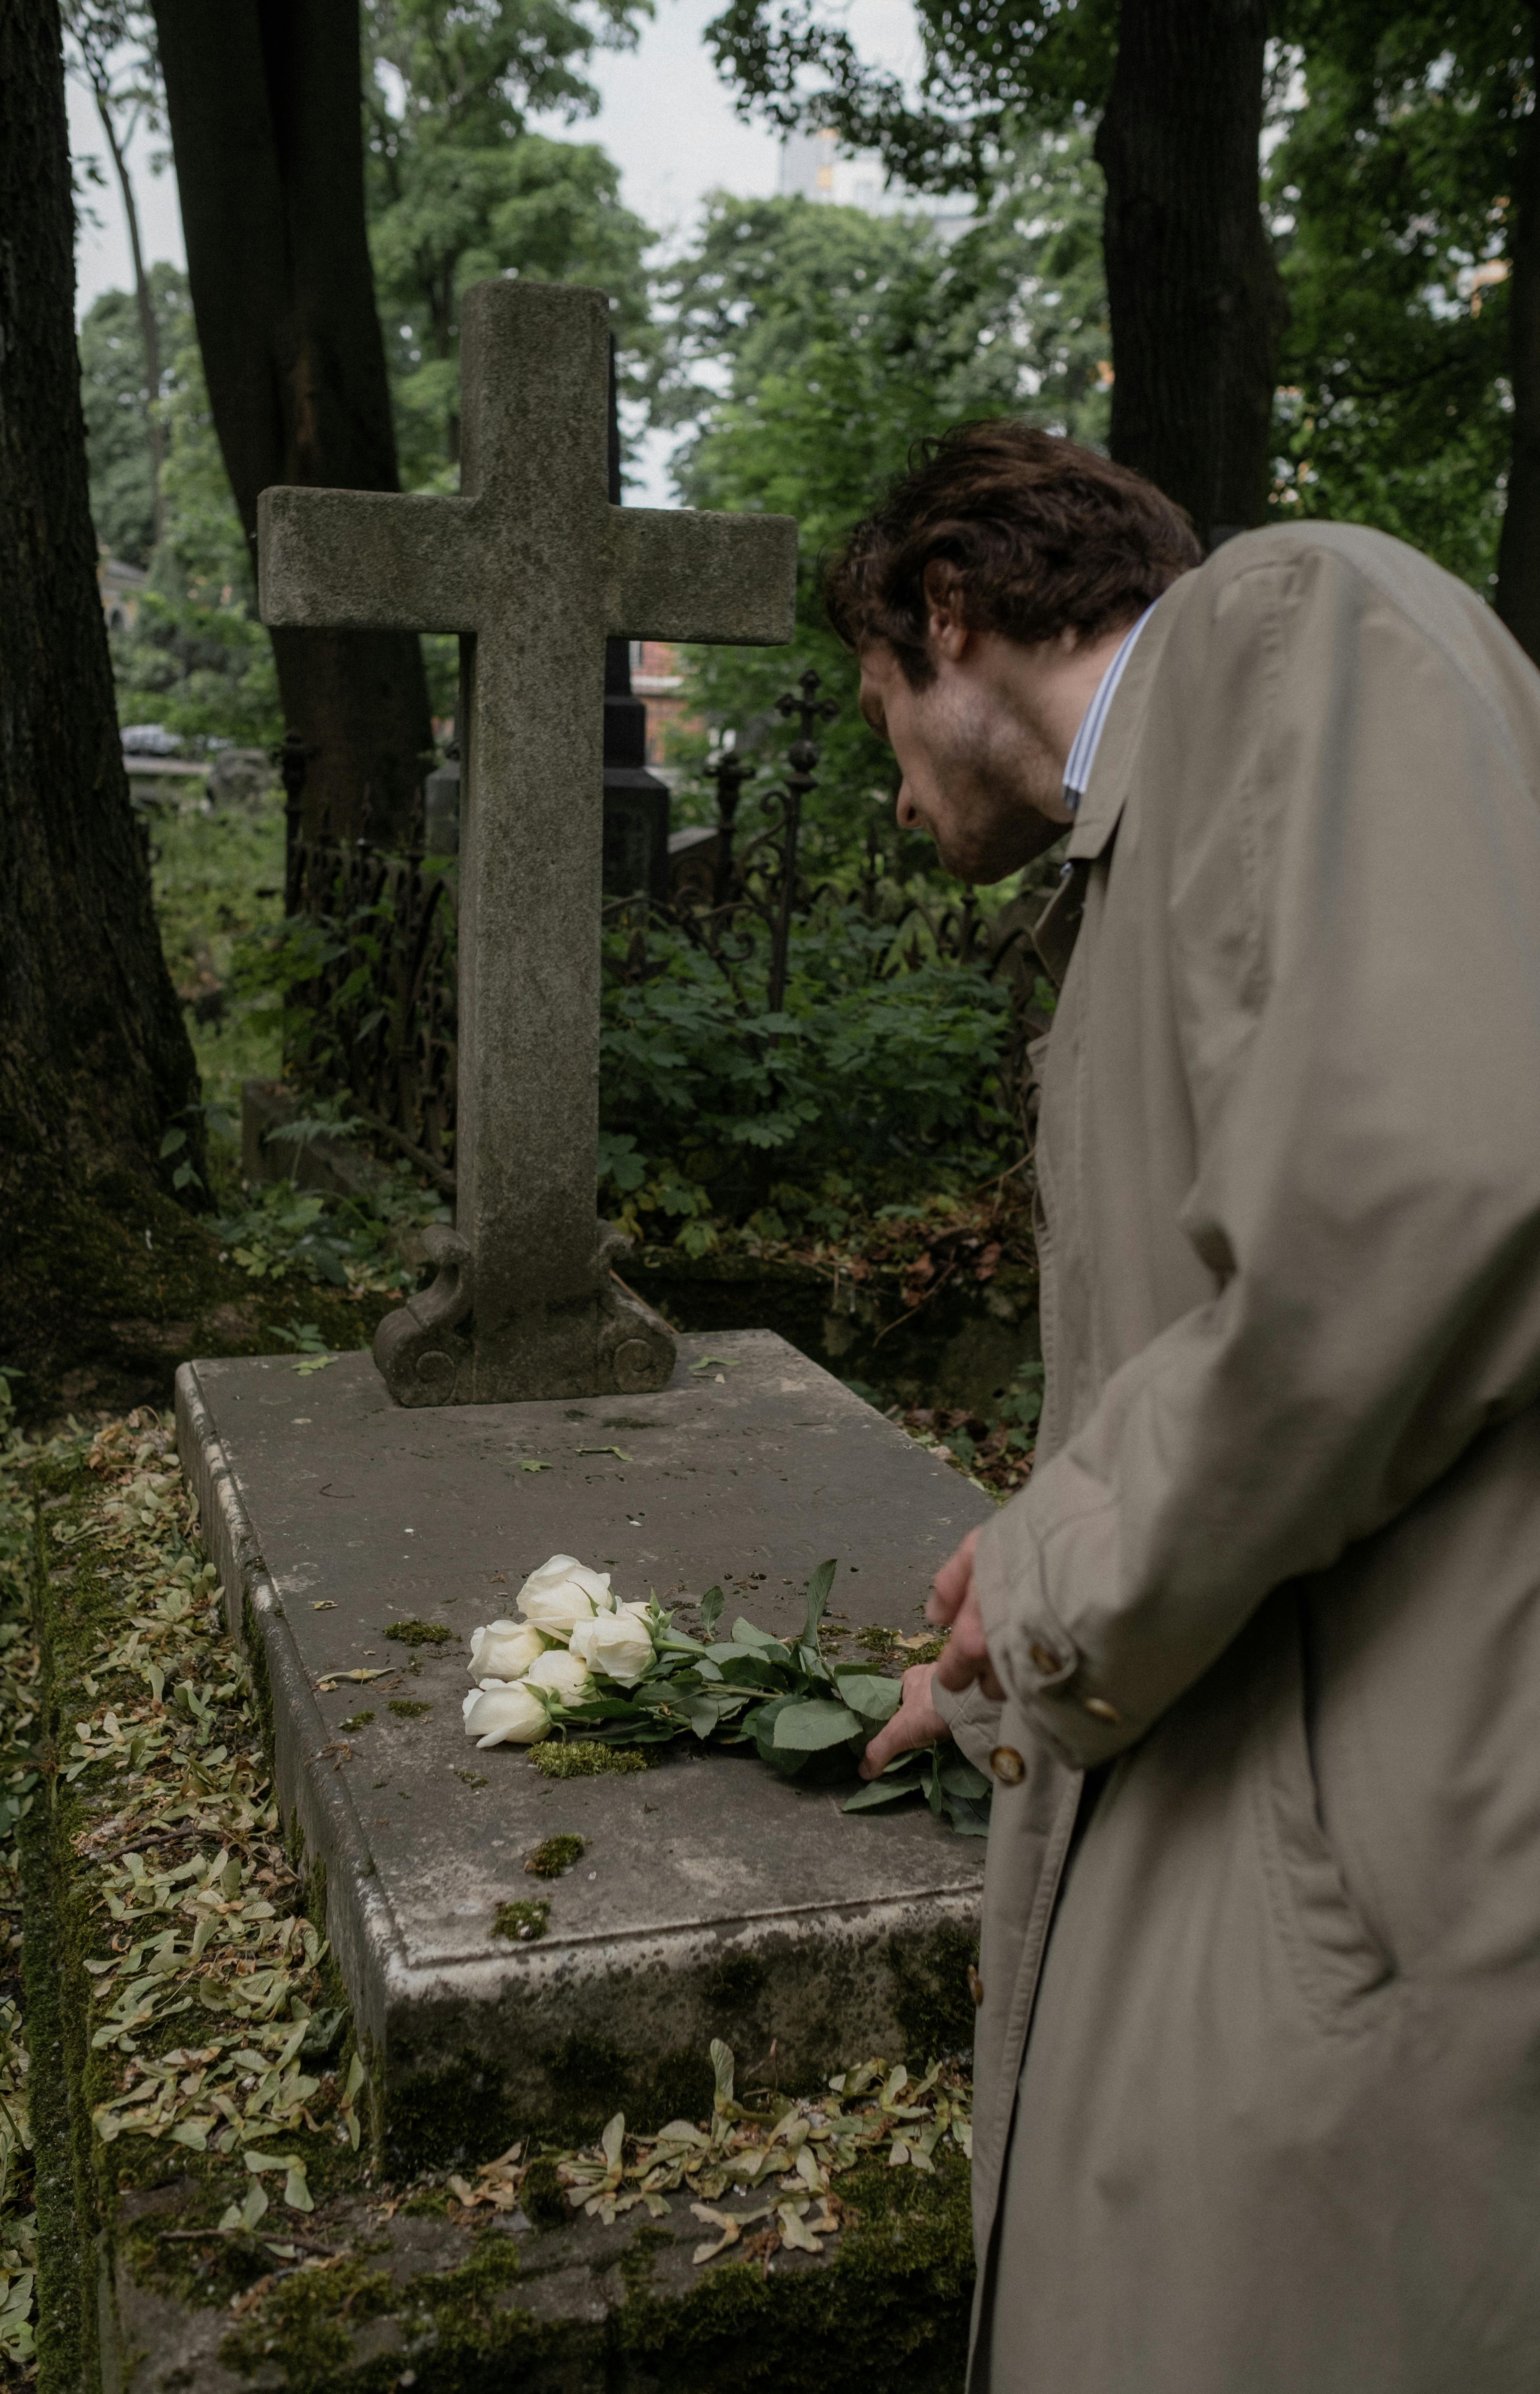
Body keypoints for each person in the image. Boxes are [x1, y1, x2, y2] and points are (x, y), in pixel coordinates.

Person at [836, 421, 1540, 2394]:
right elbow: (1220, 1363)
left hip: (1394, 1859)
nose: (889, 792)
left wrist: (1054, 1564)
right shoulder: (1143, 855)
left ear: (952, 617)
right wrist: (994, 1638)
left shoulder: (1292, 621)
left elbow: (1412, 1204)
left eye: (879, 707)